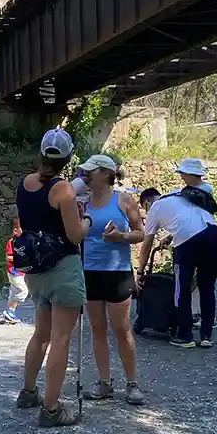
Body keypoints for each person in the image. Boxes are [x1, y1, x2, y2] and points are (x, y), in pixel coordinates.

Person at [14, 128, 90, 428]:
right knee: (61, 339)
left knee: (41, 334)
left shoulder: (25, 184)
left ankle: (28, 392)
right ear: (68, 158)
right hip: (62, 269)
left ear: (42, 154)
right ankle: (51, 408)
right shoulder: (64, 190)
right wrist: (86, 220)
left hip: (35, 270)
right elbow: (74, 234)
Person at [78, 154, 146, 405]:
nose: (85, 176)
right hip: (90, 271)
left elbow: (140, 233)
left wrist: (120, 237)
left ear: (105, 174)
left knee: (121, 328)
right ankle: (104, 383)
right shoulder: (82, 203)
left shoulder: (124, 200)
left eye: (90, 172)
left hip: (117, 272)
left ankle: (132, 383)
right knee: (97, 328)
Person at [136, 162, 217, 349]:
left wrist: (140, 271)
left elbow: (147, 244)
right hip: (212, 232)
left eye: (144, 207)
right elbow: (187, 218)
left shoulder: (156, 208)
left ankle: (185, 336)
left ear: (147, 202)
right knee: (207, 287)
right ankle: (206, 336)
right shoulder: (179, 192)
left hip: (187, 242)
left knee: (181, 289)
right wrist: (169, 237)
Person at [3, 217, 29, 324]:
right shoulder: (12, 242)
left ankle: (9, 315)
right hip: (14, 272)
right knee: (23, 291)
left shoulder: (24, 241)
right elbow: (8, 257)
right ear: (15, 231)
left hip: (21, 272)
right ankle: (10, 311)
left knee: (13, 292)